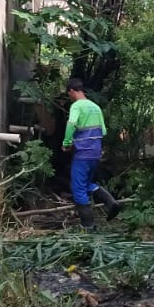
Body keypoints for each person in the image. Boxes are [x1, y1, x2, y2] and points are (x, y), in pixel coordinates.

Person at [62, 77, 120, 230]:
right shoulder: (96, 107)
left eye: (69, 94)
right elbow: (104, 131)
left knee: (78, 188)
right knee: (87, 183)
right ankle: (111, 202)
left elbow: (71, 123)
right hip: (95, 153)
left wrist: (67, 143)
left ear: (72, 91)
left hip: (83, 153)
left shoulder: (77, 106)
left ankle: (88, 226)